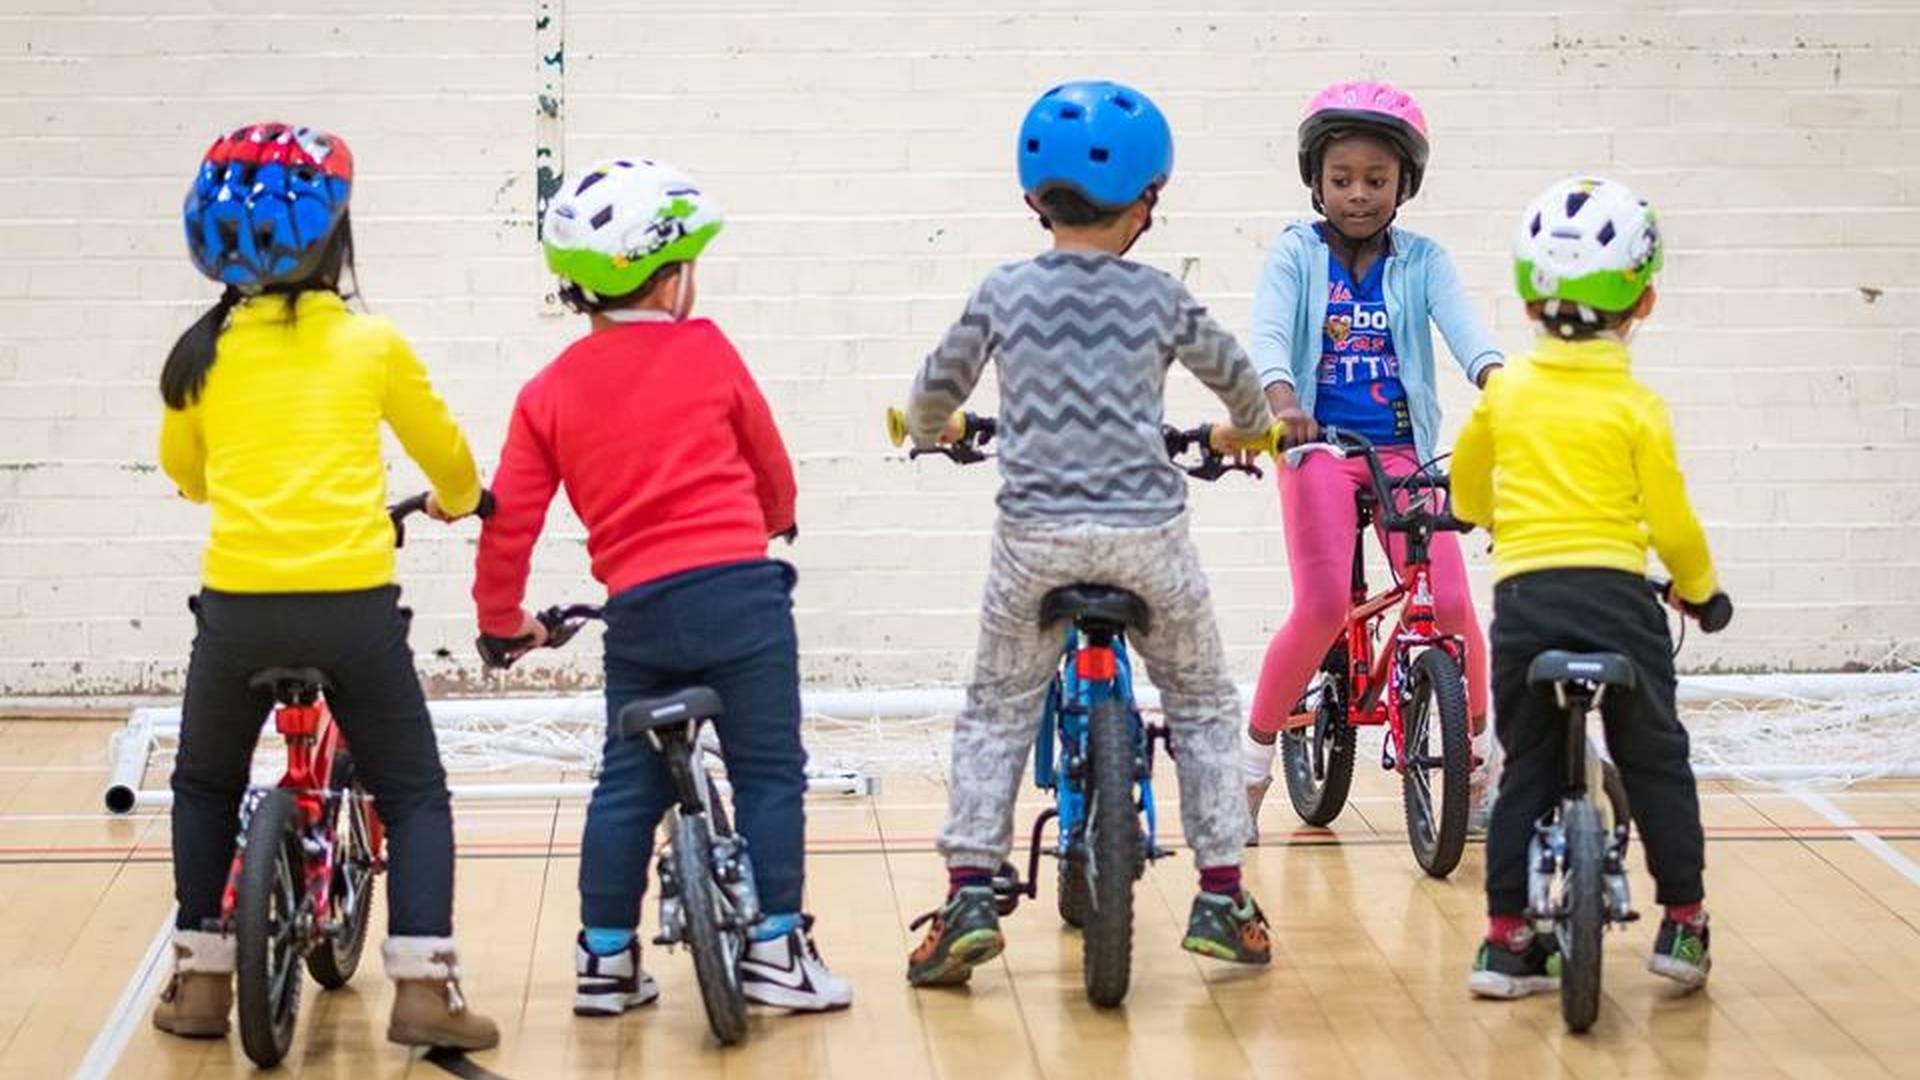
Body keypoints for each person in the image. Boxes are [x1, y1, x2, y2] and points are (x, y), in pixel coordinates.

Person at [902, 81, 1276, 987]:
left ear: (1034, 198)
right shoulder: (1162, 298)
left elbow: (933, 393)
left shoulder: (1002, 293)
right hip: (1147, 537)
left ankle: (968, 895)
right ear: (1148, 200)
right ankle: (1223, 894)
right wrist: (1245, 433)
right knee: (1200, 702)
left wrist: (929, 431)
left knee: (996, 710)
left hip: (1034, 540)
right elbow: (1240, 386)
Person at [472, 157, 850, 1016]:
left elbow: (511, 523)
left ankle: (604, 961)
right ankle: (776, 950)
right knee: (765, 772)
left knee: (626, 784)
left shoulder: (546, 394)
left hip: (639, 616)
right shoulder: (707, 347)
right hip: (740, 599)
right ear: (673, 277)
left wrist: (504, 622)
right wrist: (778, 515)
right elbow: (766, 457)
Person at [155, 123, 496, 1049]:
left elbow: (187, 475)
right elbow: (449, 461)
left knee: (203, 784)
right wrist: (460, 501)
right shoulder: (370, 343)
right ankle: (425, 987)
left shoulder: (199, 357)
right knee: (415, 792)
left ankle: (199, 982)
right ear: (335, 239)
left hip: (237, 613)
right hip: (351, 609)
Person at [1453, 176, 1723, 996]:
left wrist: (1484, 514)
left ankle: (1506, 942)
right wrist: (1701, 592)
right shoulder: (1637, 406)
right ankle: (1682, 923)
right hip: (1620, 603)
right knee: (1655, 758)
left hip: (1528, 603)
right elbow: (1671, 521)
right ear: (1643, 305)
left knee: (1527, 765)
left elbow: (1467, 490)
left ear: (1529, 302)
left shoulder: (1505, 393)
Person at [1240, 80, 1502, 832]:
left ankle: (1480, 763)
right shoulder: (1295, 253)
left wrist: (1502, 382)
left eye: (1377, 180)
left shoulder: (1422, 261)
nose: (1358, 194)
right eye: (1342, 179)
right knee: (1323, 606)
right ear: (1316, 183)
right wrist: (1283, 402)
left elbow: (1466, 332)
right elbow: (1267, 333)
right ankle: (1249, 770)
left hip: (1399, 452)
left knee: (1450, 604)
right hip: (1318, 447)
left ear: (1404, 185)